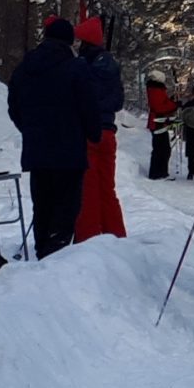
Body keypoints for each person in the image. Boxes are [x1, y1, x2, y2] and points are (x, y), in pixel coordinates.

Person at [6, 17, 93, 257]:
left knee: (42, 205)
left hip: (38, 150)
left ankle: (43, 253)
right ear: (69, 41)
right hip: (69, 151)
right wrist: (92, 133)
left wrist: (30, 128)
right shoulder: (76, 67)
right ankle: (57, 256)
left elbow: (13, 105)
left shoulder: (25, 67)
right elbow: (88, 105)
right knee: (66, 206)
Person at [73, 15, 127, 242]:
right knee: (107, 189)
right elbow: (118, 102)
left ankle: (89, 240)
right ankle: (116, 236)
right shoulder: (112, 67)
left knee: (87, 190)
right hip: (108, 133)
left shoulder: (82, 67)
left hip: (87, 133)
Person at [146, 73, 179, 180]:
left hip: (158, 121)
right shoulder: (156, 90)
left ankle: (160, 172)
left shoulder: (155, 89)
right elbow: (160, 107)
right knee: (161, 148)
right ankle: (158, 173)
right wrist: (174, 105)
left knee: (162, 148)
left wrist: (172, 103)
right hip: (158, 122)